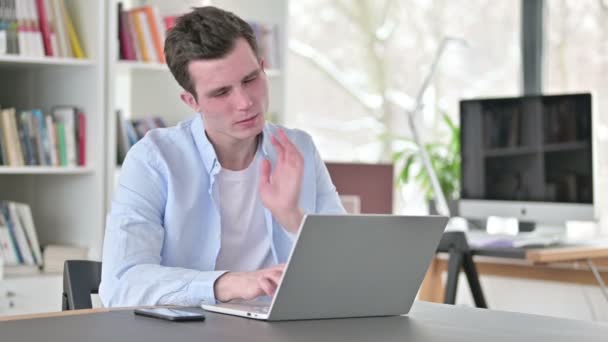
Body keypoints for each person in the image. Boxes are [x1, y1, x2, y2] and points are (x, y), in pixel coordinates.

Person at [99, 6, 345, 307]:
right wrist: (225, 283)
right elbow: (121, 284)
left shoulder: (299, 148)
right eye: (221, 93)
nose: (245, 102)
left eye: (250, 79)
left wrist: (292, 218)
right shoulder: (154, 160)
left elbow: (344, 276)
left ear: (264, 68)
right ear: (192, 101)